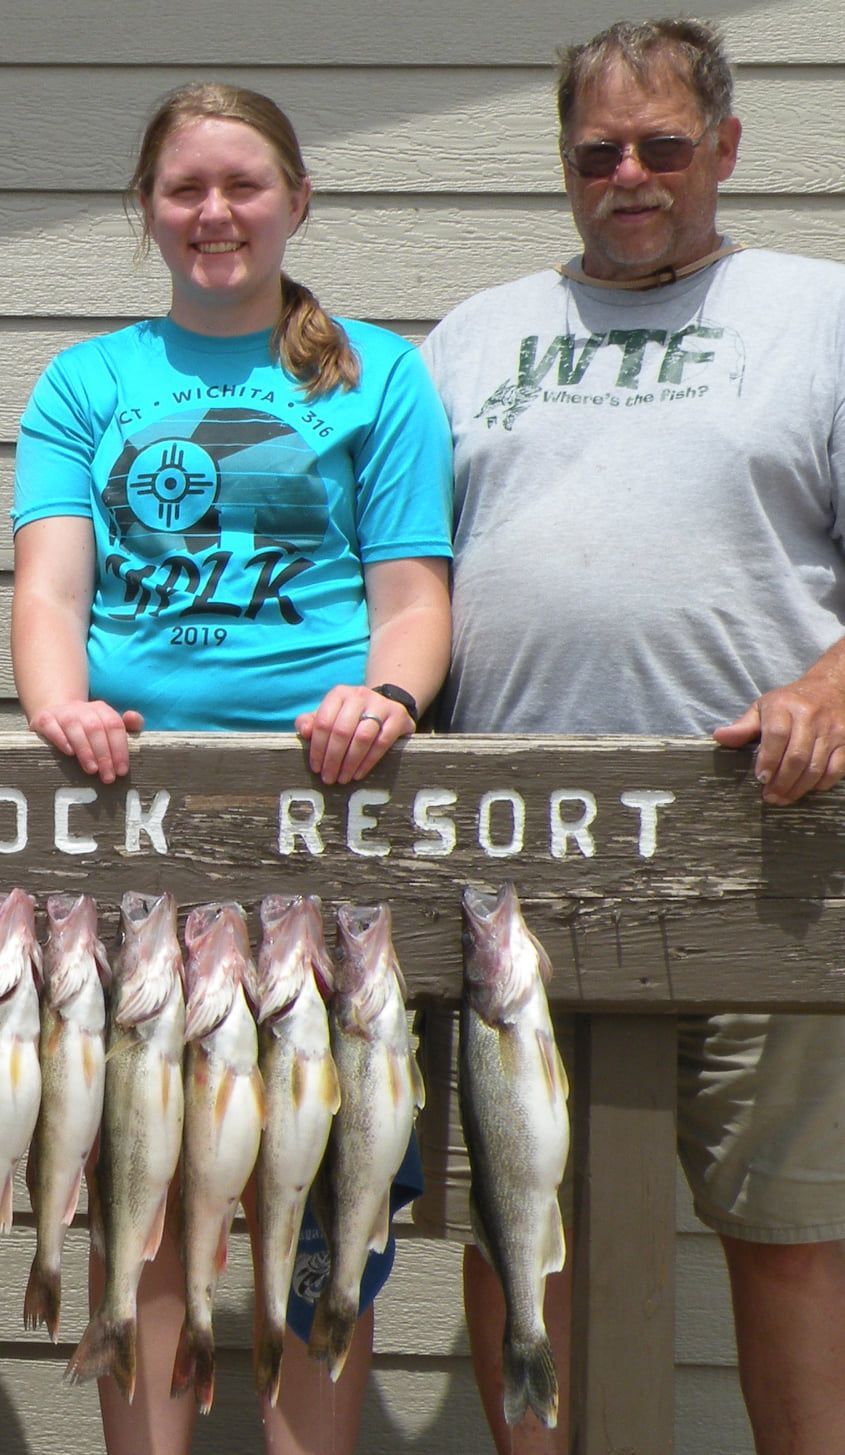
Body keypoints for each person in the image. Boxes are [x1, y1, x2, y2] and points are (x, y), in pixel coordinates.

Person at [420, 17, 845, 1455]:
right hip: (515, 861)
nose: (629, 176)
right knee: (520, 1226)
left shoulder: (820, 316)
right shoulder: (472, 338)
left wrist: (829, 690)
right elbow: (397, 574)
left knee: (789, 1237)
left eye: (663, 145)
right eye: (597, 150)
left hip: (764, 852)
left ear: (724, 148)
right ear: (563, 161)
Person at [10, 83, 452, 1455]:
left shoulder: (376, 376)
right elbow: (48, 593)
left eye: (242, 185)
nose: (215, 212)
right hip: (131, 829)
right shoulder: (85, 382)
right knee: (145, 1196)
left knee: (317, 1203)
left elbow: (412, 598)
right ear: (147, 211)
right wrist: (60, 709)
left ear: (297, 200)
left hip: (328, 824)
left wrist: (388, 699)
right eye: (185, 188)